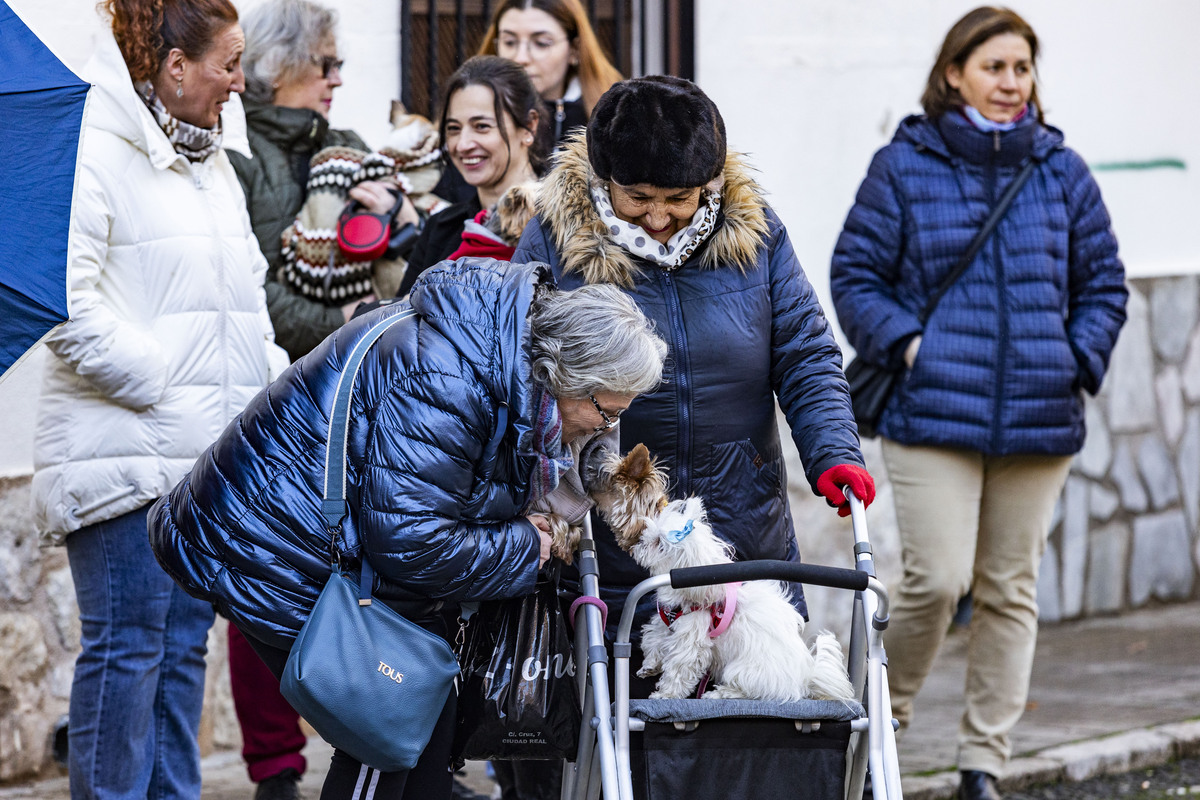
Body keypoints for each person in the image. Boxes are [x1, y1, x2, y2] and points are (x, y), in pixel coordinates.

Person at [147, 257, 667, 799]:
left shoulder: (500, 356)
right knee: (390, 736)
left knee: (423, 735)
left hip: (328, 548)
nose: (607, 429)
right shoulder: (450, 377)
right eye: (607, 414)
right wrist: (522, 546)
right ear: (570, 379)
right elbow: (410, 540)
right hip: (264, 545)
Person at [829, 8, 1128, 800]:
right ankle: (880, 725)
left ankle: (982, 765)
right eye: (993, 67)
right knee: (935, 579)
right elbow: (855, 275)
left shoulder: (1061, 170)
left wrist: (1074, 357)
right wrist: (912, 346)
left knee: (1009, 588)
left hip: (1040, 417)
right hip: (933, 413)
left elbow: (1104, 285)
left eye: (1021, 69)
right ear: (954, 72)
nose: (1009, 83)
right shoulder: (905, 164)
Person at [29, 1, 289, 798]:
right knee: (128, 653)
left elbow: (244, 300)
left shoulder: (211, 166)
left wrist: (267, 398)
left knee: (179, 656)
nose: (241, 84)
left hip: (198, 467)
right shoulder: (95, 150)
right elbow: (62, 301)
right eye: (229, 63)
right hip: (123, 458)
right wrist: (159, 379)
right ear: (177, 69)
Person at [229, 0, 420, 362]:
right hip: (275, 376)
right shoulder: (237, 155)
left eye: (339, 65)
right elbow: (243, 290)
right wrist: (342, 320)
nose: (338, 79)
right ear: (276, 68)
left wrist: (406, 218)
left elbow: (417, 263)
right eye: (326, 65)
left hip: (361, 368)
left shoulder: (347, 145)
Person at [395, 56, 551, 298]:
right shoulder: (442, 229)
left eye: (481, 126)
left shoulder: (562, 226)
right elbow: (399, 322)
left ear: (529, 126)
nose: (463, 144)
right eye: (454, 129)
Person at [477, 0, 622, 146]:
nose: (521, 58)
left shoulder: (611, 119)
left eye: (541, 43)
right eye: (509, 42)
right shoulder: (473, 114)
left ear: (574, 49)